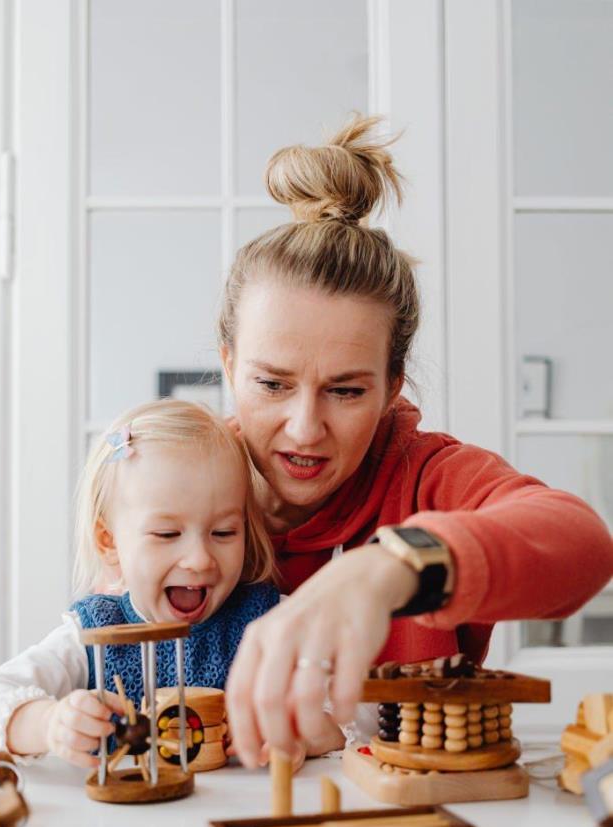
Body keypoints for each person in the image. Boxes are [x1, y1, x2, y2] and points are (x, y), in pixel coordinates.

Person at [219, 114, 613, 769]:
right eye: (272, 384)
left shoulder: (427, 475)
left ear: (391, 381)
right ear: (231, 365)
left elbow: (585, 546)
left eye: (346, 391)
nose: (305, 428)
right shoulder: (184, 479)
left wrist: (390, 568)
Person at [0, 400, 343, 769]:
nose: (200, 559)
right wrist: (47, 723)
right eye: (166, 533)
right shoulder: (93, 635)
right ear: (110, 542)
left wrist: (299, 733)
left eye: (223, 532)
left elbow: (353, 716)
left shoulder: (269, 621)